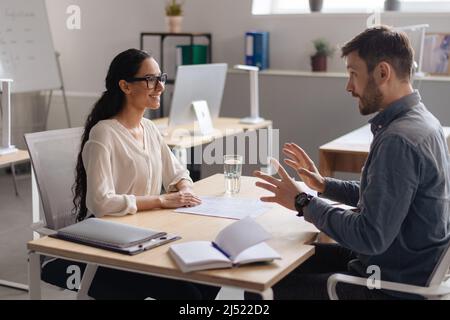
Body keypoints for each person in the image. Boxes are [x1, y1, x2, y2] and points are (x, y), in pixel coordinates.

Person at [247, 26, 450, 300]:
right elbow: (387, 200)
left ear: (382, 72)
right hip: (400, 267)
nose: (349, 86)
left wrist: (302, 203)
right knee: (276, 261)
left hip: (387, 285)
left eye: (353, 74)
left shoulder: (398, 140)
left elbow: (370, 236)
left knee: (260, 289)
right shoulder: (424, 122)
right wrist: (323, 185)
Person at [41, 48, 219, 300]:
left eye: (161, 78)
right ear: (125, 86)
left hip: (146, 236)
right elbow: (101, 203)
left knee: (209, 277)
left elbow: (177, 172)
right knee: (189, 293)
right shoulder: (104, 134)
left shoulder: (149, 128)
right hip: (110, 246)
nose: (159, 86)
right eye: (150, 79)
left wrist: (184, 188)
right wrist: (160, 200)